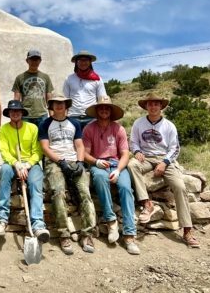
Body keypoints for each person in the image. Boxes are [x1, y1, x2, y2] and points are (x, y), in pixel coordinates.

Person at [127, 92, 200, 248]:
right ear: (146, 106)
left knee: (180, 186)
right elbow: (133, 142)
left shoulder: (169, 125)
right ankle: (146, 202)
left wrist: (165, 162)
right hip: (145, 157)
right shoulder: (138, 123)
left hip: (164, 158)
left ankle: (187, 230)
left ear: (161, 106)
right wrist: (137, 151)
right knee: (132, 165)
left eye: (156, 104)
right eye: (150, 104)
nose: (153, 106)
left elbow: (175, 148)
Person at [38, 94, 96, 254]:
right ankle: (64, 234)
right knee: (57, 192)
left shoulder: (75, 123)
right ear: (52, 106)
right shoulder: (45, 124)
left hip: (73, 160)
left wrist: (79, 162)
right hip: (54, 161)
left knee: (85, 192)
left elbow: (79, 145)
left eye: (62, 103)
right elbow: (45, 147)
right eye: (56, 103)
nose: (59, 105)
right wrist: (60, 162)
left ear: (66, 105)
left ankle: (87, 233)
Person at [83, 96, 140, 255]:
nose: (104, 110)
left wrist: (119, 170)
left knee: (125, 188)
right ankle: (111, 220)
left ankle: (129, 235)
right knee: (100, 178)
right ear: (97, 110)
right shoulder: (89, 129)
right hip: (99, 164)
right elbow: (85, 154)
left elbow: (125, 154)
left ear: (111, 111)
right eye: (101, 108)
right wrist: (96, 162)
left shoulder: (118, 129)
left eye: (107, 108)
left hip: (116, 164)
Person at [0, 100, 50, 242]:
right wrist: (16, 164)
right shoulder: (3, 130)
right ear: (9, 113)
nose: (15, 113)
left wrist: (27, 165)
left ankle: (37, 224)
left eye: (18, 110)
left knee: (36, 184)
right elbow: (4, 151)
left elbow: (38, 151)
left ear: (22, 113)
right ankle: (2, 219)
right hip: (13, 164)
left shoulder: (32, 128)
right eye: (12, 111)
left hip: (31, 164)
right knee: (5, 172)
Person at [63, 50, 106, 130]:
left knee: (91, 142)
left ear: (90, 62)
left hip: (91, 117)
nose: (83, 62)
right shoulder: (69, 79)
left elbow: (102, 99)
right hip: (73, 117)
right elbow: (65, 100)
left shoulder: (97, 79)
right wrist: (64, 117)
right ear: (76, 62)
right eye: (80, 60)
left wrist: (103, 118)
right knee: (74, 142)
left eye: (85, 60)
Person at [12, 49, 53, 128]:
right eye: (32, 59)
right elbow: (16, 99)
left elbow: (49, 99)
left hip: (42, 115)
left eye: (37, 59)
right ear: (27, 60)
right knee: (26, 139)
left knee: (42, 139)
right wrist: (15, 115)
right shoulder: (20, 78)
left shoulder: (45, 77)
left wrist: (52, 116)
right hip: (25, 115)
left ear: (40, 61)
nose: (34, 62)